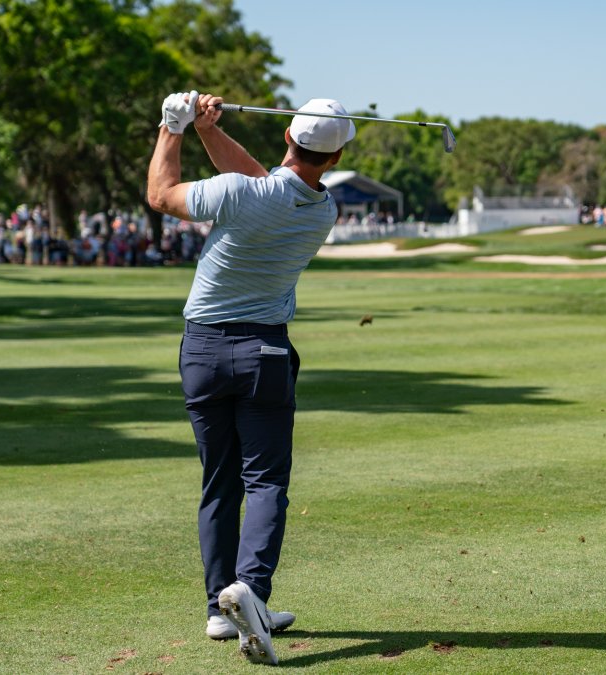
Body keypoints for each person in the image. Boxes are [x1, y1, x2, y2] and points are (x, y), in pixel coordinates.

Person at [147, 90, 354, 665]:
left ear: (287, 135)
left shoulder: (242, 195)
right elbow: (266, 182)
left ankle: (223, 609)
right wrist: (210, 130)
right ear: (333, 160)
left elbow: (160, 195)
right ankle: (251, 595)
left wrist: (174, 127)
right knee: (265, 481)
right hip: (264, 351)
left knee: (220, 480)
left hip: (204, 350)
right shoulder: (321, 212)